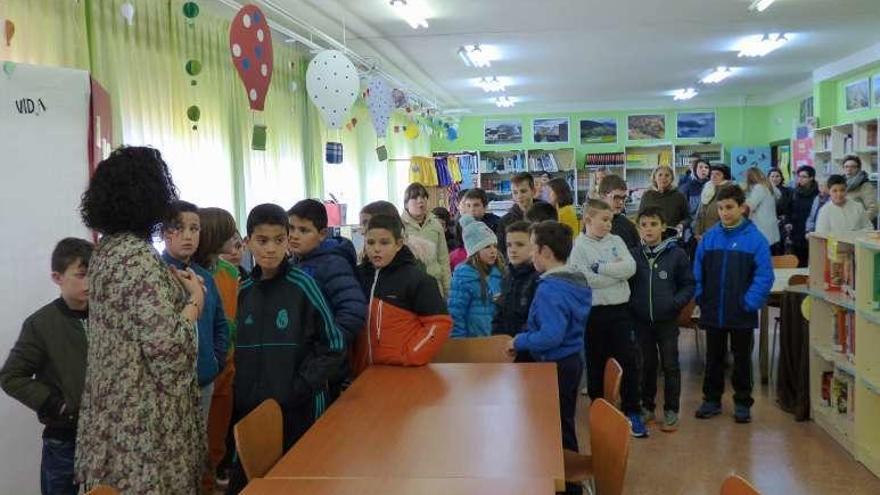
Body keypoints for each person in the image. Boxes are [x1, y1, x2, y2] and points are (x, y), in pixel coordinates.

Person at [76, 147, 205, 493]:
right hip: (144, 428)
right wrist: (194, 301)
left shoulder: (106, 251)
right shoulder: (136, 258)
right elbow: (170, 353)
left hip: (113, 418)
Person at [229, 203, 345, 492]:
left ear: (287, 240)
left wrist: (298, 388)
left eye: (279, 240)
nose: (270, 249)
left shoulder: (303, 285)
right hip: (252, 413)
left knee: (303, 482)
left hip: (300, 409)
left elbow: (333, 345)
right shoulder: (242, 292)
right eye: (262, 240)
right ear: (247, 243)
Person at [0, 238, 93, 495]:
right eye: (82, 275)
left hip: (106, 435)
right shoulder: (40, 324)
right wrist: (55, 404)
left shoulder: (107, 317)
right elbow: (11, 376)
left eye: (95, 274)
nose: (90, 283)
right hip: (64, 438)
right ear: (57, 277)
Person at [507, 220, 591, 495]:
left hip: (556, 364)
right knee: (562, 420)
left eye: (532, 250)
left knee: (557, 425)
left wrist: (520, 340)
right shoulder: (574, 280)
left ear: (544, 251)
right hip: (571, 361)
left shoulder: (551, 289)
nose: (530, 256)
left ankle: (566, 484)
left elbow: (551, 336)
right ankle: (565, 479)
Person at [694, 184, 773, 424]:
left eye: (729, 207)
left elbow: (764, 276)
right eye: (720, 208)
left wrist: (749, 302)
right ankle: (711, 400)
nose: (724, 213)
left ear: (741, 208)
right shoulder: (709, 238)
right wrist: (701, 296)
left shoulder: (756, 239)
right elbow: (698, 271)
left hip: (741, 312)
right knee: (714, 358)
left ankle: (742, 402)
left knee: (742, 360)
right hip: (714, 310)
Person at [568, 199, 645, 437]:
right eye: (604, 219)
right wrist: (615, 274)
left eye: (610, 219)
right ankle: (599, 408)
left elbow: (630, 268)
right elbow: (584, 280)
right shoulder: (578, 246)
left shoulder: (617, 241)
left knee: (628, 360)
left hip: (620, 310)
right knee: (596, 362)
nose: (608, 224)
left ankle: (632, 410)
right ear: (588, 220)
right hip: (595, 313)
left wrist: (600, 268)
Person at [353, 214, 452, 375]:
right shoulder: (358, 277)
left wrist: (411, 355)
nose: (376, 248)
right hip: (363, 375)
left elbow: (440, 324)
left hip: (404, 372)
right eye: (370, 242)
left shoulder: (418, 280)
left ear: (398, 244)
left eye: (384, 242)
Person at [288, 199, 367, 399]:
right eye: (291, 228)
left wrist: (326, 348)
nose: (294, 235)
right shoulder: (291, 264)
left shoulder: (332, 264)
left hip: (324, 370)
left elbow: (353, 311)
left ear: (322, 234)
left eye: (304, 230)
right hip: (299, 364)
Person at [160, 200, 229, 424]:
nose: (188, 236)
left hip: (205, 378)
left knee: (200, 448)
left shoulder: (205, 276)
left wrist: (215, 361)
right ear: (163, 233)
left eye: (194, 228)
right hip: (168, 386)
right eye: (178, 228)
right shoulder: (155, 275)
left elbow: (220, 323)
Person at [629, 208, 695, 433]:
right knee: (646, 365)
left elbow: (688, 284)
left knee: (670, 365)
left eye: (653, 224)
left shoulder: (676, 254)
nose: (648, 229)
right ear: (639, 228)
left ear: (663, 226)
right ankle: (647, 406)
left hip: (667, 321)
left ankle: (671, 410)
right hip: (641, 322)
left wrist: (674, 303)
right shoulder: (633, 255)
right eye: (644, 225)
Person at [192, 207, 241, 492]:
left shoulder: (230, 272)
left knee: (215, 447)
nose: (234, 238)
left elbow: (231, 323)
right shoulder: (187, 275)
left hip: (226, 372)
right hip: (201, 375)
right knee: (197, 451)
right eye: (228, 232)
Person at [449, 215, 504, 338]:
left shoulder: (499, 273)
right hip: (472, 342)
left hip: (495, 340)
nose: (493, 251)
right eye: (487, 246)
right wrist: (459, 342)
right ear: (475, 251)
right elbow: (456, 313)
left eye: (495, 246)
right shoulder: (463, 277)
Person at [492, 221, 540, 362]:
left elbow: (535, 321)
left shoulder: (538, 279)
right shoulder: (508, 275)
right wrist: (497, 338)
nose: (512, 250)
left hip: (530, 352)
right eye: (509, 245)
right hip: (507, 349)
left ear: (534, 247)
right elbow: (500, 311)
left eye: (520, 244)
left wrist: (517, 343)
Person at [401, 183, 452, 296]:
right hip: (410, 287)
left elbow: (443, 259)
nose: (420, 201)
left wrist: (448, 290)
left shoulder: (436, 224)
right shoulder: (399, 226)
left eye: (424, 197)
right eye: (414, 198)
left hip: (434, 284)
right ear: (406, 204)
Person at [359, 200, 432, 267]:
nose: (362, 232)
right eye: (361, 224)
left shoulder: (412, 261)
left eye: (365, 223)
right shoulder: (365, 256)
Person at [637, 165, 690, 232]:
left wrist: (681, 225)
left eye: (667, 175)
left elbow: (688, 218)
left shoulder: (679, 196)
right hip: (651, 235)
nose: (663, 178)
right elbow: (640, 218)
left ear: (672, 179)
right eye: (660, 175)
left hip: (672, 235)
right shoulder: (647, 196)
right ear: (654, 178)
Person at [499, 172, 542, 249]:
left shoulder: (546, 215)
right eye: (515, 192)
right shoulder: (505, 222)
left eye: (523, 191)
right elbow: (502, 252)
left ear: (533, 191)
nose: (519, 196)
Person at [787, 166, 818, 265]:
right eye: (799, 176)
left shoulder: (817, 194)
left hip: (811, 230)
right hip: (796, 231)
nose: (800, 179)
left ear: (811, 178)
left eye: (804, 176)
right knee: (799, 261)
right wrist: (788, 222)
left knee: (814, 261)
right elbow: (789, 210)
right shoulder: (794, 192)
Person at [598, 174, 640, 250]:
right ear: (602, 196)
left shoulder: (629, 226)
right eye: (616, 197)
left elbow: (638, 254)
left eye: (623, 198)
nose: (621, 202)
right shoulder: (592, 225)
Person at [744, 167, 781, 248]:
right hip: (770, 227)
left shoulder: (759, 188)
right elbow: (779, 195)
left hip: (761, 227)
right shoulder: (769, 186)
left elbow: (750, 205)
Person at [694, 164, 733, 239]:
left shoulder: (729, 191)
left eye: (718, 174)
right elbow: (699, 214)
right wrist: (697, 233)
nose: (713, 176)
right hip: (702, 236)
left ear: (724, 176)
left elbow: (729, 218)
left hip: (720, 237)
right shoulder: (707, 189)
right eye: (712, 174)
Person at [843, 155, 877, 225]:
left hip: (860, 227)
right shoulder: (841, 184)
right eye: (846, 166)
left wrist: (859, 223)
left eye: (853, 167)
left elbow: (873, 208)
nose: (849, 169)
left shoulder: (865, 185)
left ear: (858, 169)